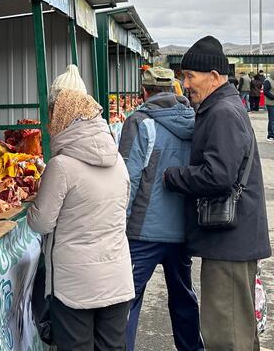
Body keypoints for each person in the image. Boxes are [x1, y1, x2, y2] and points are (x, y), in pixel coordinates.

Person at [163, 35, 271, 351]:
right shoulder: (223, 105)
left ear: (213, 76)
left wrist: (174, 177)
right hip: (233, 240)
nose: (185, 84)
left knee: (227, 334)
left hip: (230, 244)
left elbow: (219, 175)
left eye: (189, 76)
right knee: (238, 331)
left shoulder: (222, 111)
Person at [28, 79, 133, 351]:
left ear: (63, 120)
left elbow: (41, 223)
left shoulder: (61, 166)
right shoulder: (117, 160)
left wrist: (34, 205)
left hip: (75, 286)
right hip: (117, 277)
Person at [118, 67, 203, 351]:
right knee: (183, 298)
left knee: (126, 300)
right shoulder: (194, 121)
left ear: (145, 91)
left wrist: (119, 225)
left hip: (144, 232)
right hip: (182, 230)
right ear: (175, 90)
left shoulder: (139, 122)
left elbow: (127, 180)